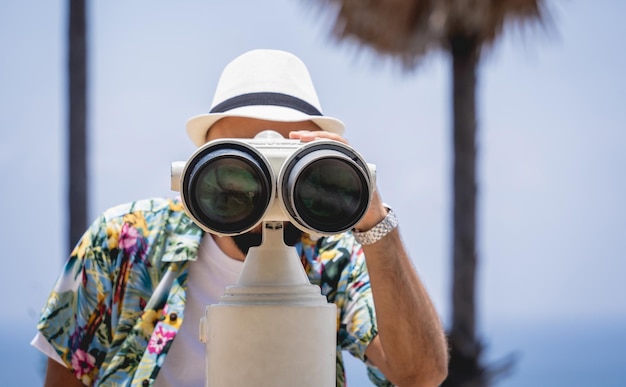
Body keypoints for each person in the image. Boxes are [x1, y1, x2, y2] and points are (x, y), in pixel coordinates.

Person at [33, 49, 448, 387]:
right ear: (196, 170)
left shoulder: (333, 255)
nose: (260, 195)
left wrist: (373, 219)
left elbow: (419, 374)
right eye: (237, 168)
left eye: (286, 169)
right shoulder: (123, 241)